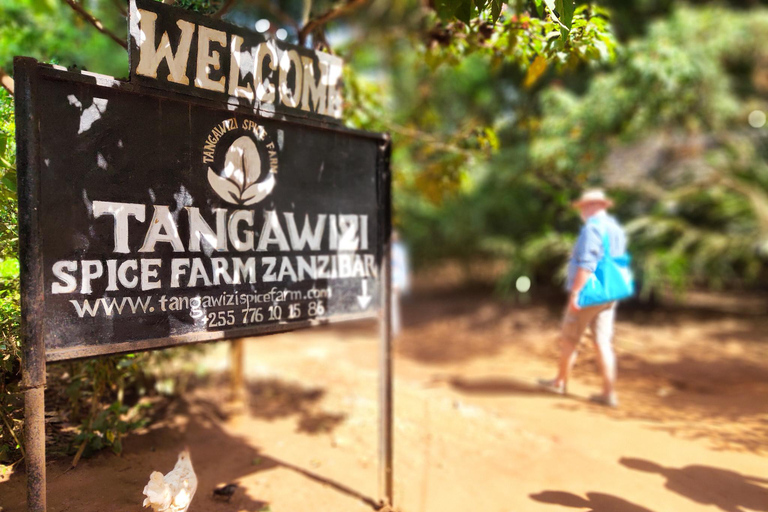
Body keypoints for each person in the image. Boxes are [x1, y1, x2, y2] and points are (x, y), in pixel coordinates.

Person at [539, 189, 627, 407]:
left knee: (570, 338)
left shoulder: (592, 228)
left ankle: (560, 382)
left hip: (590, 292)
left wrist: (576, 294)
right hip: (610, 292)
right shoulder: (616, 228)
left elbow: (587, 264)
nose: (582, 212)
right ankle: (609, 393)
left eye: (584, 207)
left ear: (593, 206)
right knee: (603, 342)